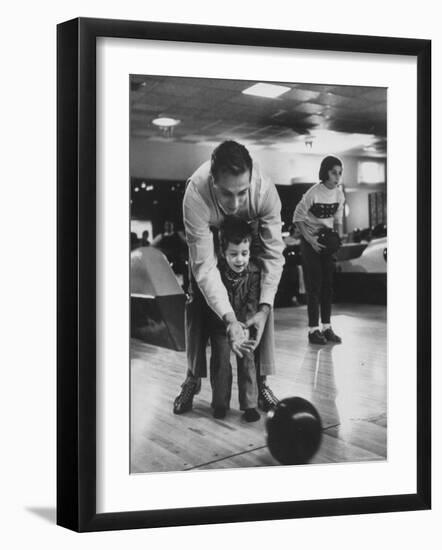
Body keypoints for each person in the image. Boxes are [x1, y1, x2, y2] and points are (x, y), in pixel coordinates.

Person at [173, 140, 285, 414]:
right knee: (196, 299)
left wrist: (264, 308)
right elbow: (205, 268)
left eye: (242, 193)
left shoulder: (265, 191)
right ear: (213, 182)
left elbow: (273, 254)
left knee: (262, 303)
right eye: (226, 194)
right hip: (213, 247)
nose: (234, 204)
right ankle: (192, 377)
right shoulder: (195, 194)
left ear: (251, 181)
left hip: (245, 242)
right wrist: (230, 320)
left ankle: (261, 384)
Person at [208, 217, 261, 422]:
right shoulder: (216, 272)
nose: (240, 259)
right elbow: (214, 300)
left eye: (244, 254)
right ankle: (220, 403)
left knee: (247, 358)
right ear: (223, 253)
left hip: (244, 324)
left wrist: (245, 326)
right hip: (221, 325)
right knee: (221, 361)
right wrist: (228, 324)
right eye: (234, 254)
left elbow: (253, 302)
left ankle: (249, 405)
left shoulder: (254, 273)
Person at [293, 155, 345, 345]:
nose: (337, 177)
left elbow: (338, 221)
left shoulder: (339, 195)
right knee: (313, 286)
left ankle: (327, 327)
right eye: (334, 172)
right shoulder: (313, 193)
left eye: (340, 173)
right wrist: (310, 240)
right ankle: (313, 330)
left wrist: (336, 242)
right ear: (325, 173)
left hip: (326, 241)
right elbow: (297, 218)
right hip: (310, 242)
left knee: (328, 287)